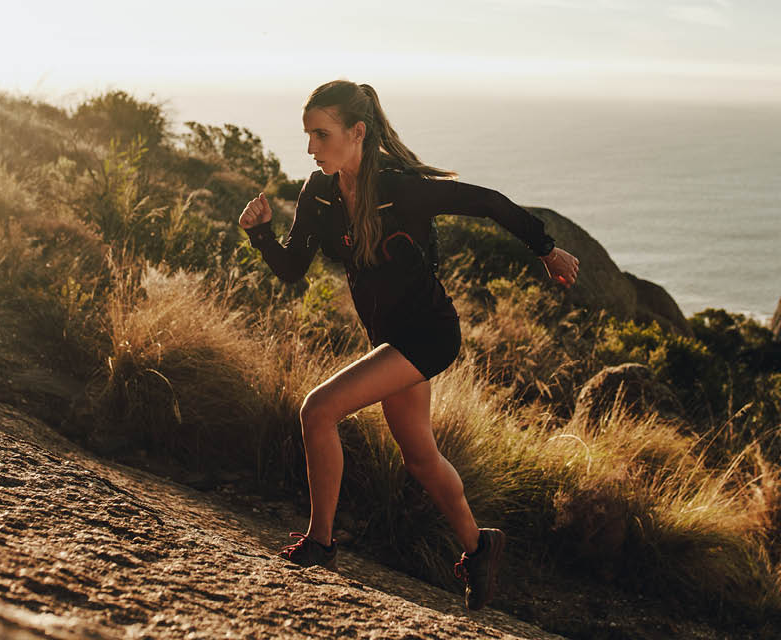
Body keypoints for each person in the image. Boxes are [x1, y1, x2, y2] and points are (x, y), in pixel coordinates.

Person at [238, 80, 579, 611]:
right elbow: (292, 269)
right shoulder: (319, 193)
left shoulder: (404, 188)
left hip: (428, 334)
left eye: (321, 135)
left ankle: (321, 543)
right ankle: (480, 546)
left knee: (318, 410)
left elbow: (488, 203)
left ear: (356, 132)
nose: (310, 148)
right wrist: (261, 234)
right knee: (421, 457)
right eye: (308, 135)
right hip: (390, 340)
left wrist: (546, 249)